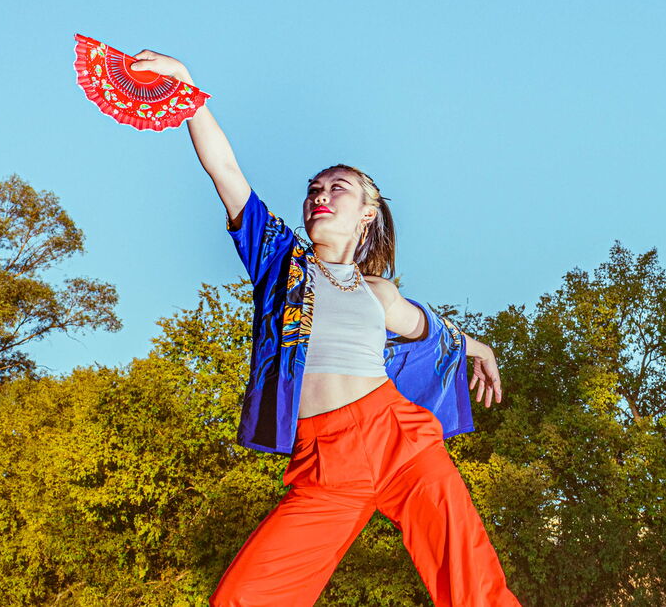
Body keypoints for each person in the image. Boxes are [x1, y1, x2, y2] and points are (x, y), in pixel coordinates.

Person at [131, 49, 522, 607]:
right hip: (325, 460)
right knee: (244, 597)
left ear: (368, 212)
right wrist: (187, 89)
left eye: (338, 187)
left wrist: (477, 346)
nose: (321, 194)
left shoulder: (378, 292)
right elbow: (226, 172)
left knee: (471, 582)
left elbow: (428, 329)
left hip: (399, 439)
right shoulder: (280, 260)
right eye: (315, 188)